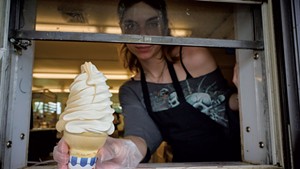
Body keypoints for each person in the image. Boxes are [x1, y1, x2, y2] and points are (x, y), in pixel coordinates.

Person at [53, 0, 241, 168]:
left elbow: (223, 103)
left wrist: (248, 92)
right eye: (131, 25)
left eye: (152, 23)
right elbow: (141, 136)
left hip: (237, 160)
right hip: (185, 165)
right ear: (122, 29)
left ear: (164, 26)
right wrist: (118, 149)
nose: (142, 34)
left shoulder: (193, 56)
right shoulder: (131, 90)